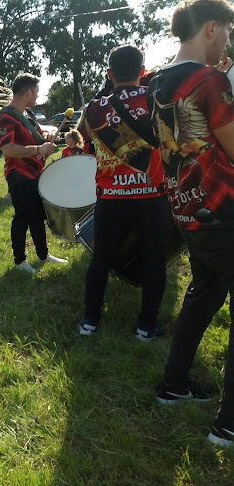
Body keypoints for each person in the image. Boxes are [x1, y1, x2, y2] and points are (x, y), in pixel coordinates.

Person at [146, 0, 234, 447]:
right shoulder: (210, 80)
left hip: (184, 207)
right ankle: (229, 424)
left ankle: (173, 384)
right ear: (212, 29)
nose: (229, 43)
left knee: (205, 292)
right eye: (228, 33)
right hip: (223, 208)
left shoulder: (156, 82)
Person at [76, 45, 170, 341]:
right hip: (153, 197)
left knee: (101, 260)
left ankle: (90, 321)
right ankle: (146, 326)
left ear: (108, 74)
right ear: (142, 72)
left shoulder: (95, 107)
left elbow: (83, 135)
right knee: (155, 261)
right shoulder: (158, 100)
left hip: (111, 198)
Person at [0, 73, 68, 273]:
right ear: (28, 92)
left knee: (37, 216)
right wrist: (38, 150)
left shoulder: (29, 115)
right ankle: (19, 261)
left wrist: (48, 138)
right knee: (23, 217)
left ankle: (43, 255)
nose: (37, 96)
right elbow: (8, 148)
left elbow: (38, 137)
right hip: (19, 176)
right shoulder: (5, 118)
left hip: (36, 173)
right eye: (36, 92)